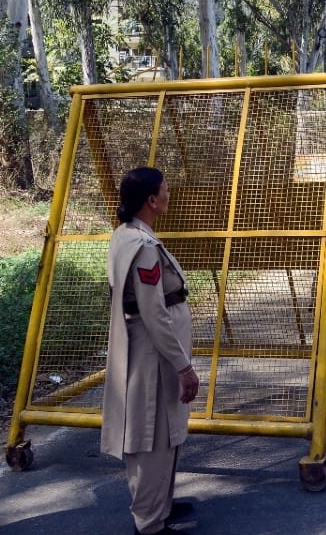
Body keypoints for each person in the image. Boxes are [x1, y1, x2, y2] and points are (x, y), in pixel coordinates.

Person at [102, 167, 199, 535]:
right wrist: (182, 365)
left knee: (164, 430)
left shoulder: (127, 235)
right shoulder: (142, 247)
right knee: (154, 435)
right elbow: (154, 311)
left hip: (149, 347)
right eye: (165, 190)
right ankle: (150, 521)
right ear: (151, 201)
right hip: (154, 351)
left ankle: (161, 505)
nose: (169, 194)